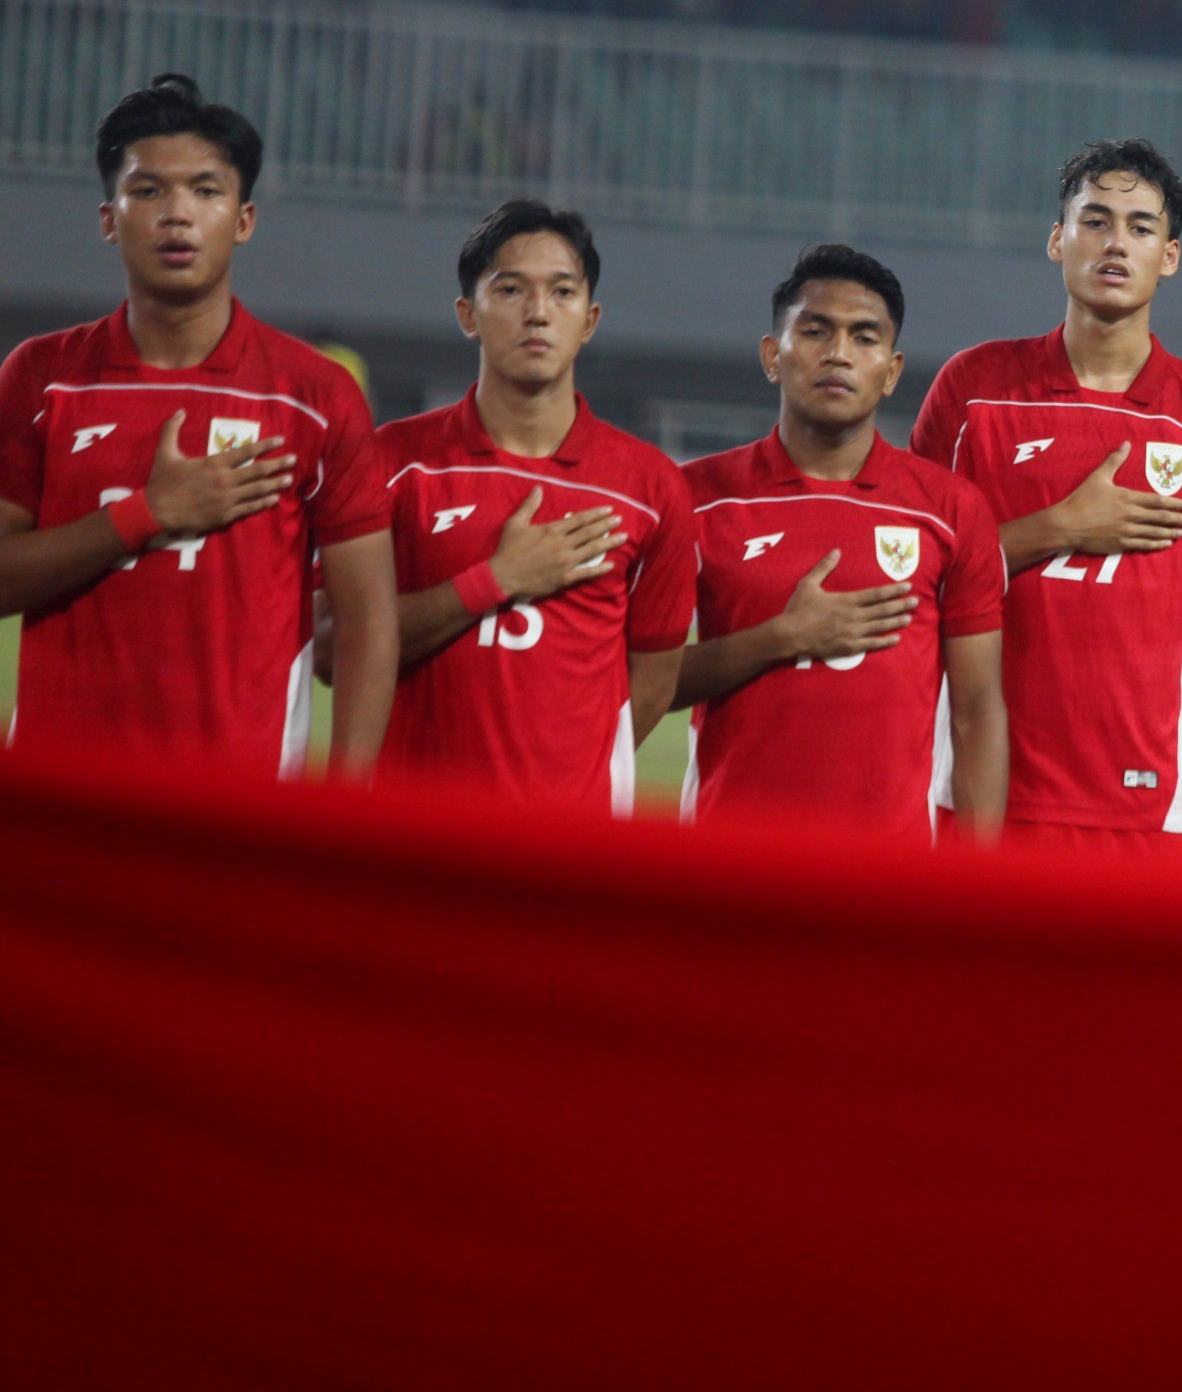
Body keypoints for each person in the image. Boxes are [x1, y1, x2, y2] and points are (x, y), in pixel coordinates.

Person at [0, 74, 396, 775]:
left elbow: (367, 621)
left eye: (206, 191)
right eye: (148, 191)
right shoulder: (42, 376)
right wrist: (145, 514)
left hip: (240, 817)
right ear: (107, 217)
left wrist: (344, 807)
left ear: (243, 220)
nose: (177, 214)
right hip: (59, 803)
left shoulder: (316, 395)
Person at [907, 140, 1182, 861]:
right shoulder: (973, 390)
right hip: (975, 794)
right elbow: (912, 580)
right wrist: (1056, 528)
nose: (1116, 243)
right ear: (1057, 240)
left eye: (1141, 228)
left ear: (1170, 256)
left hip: (1141, 810)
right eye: (1095, 220)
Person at [364, 201, 696, 812]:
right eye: (511, 288)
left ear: (589, 318)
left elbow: (653, 682)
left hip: (568, 850)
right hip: (412, 834)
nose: (538, 313)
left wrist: (570, 777)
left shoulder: (650, 489)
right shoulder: (395, 462)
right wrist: (495, 580)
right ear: (468, 314)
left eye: (562, 292)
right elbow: (339, 645)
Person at [677, 246, 1007, 840]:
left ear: (892, 370)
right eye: (815, 331)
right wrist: (780, 639)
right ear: (771, 356)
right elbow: (638, 681)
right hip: (729, 863)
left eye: (863, 337)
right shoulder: (695, 498)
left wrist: (976, 895)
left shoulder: (952, 510)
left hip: (887, 882)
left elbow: (977, 712)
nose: (838, 353)